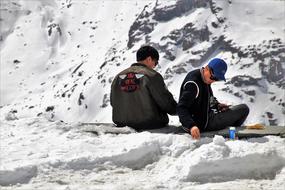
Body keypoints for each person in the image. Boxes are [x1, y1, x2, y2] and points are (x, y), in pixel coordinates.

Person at [177, 58, 249, 139]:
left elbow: (207, 97)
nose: (214, 81)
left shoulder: (203, 77)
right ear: (207, 69)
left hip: (205, 117)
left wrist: (217, 105)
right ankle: (230, 133)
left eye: (217, 79)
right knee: (244, 109)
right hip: (203, 124)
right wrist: (192, 126)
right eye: (214, 78)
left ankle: (229, 131)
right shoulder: (193, 84)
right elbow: (181, 108)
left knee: (237, 110)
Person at [111, 45, 177, 131]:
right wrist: (181, 111)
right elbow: (166, 103)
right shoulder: (152, 75)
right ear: (149, 59)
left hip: (121, 123)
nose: (155, 66)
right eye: (155, 62)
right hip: (150, 124)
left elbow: (113, 102)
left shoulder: (118, 77)